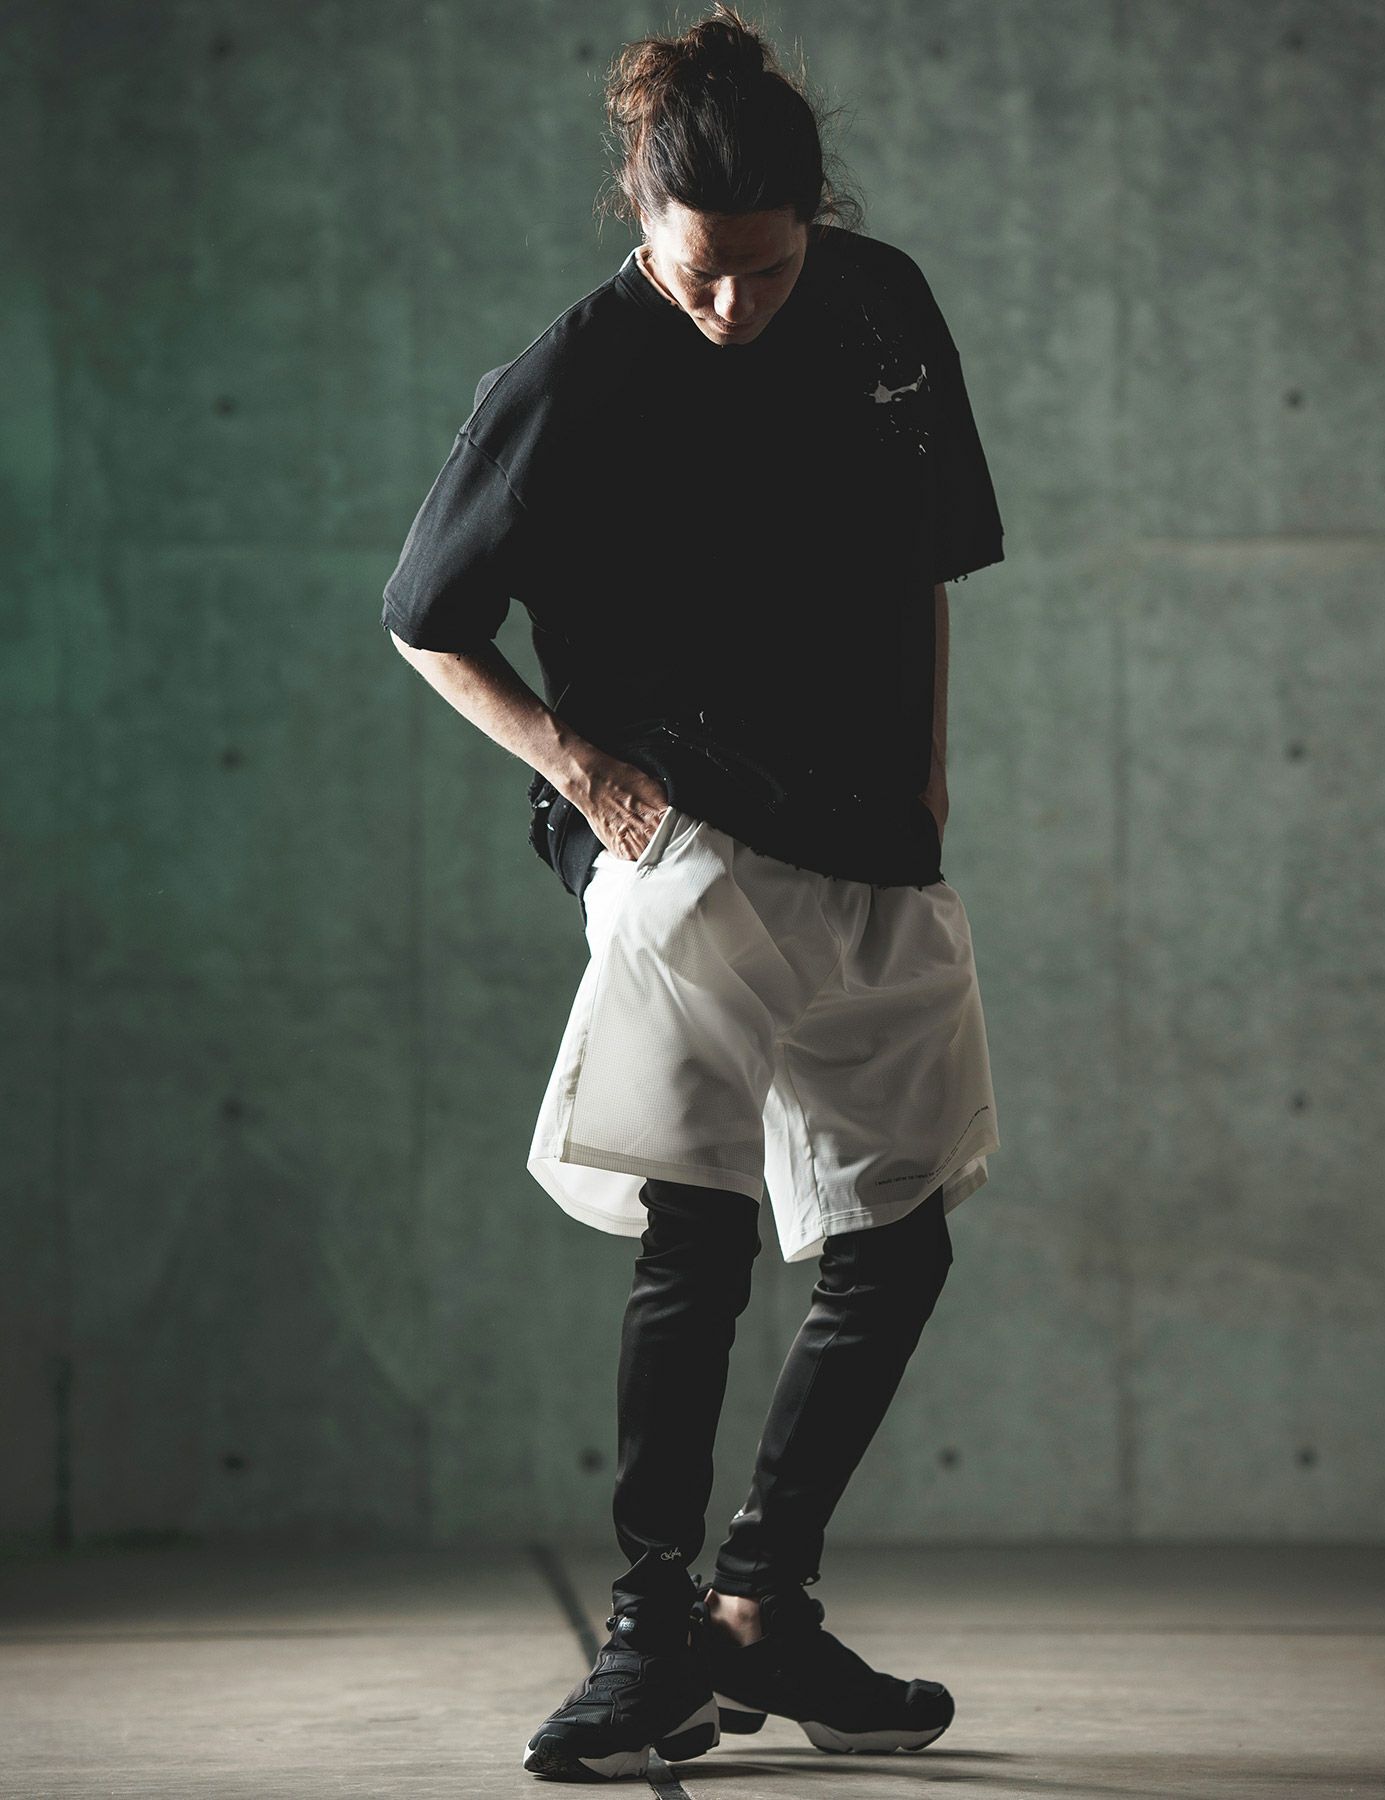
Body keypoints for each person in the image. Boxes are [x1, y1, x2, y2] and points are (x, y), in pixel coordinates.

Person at [380, 5, 1006, 1781]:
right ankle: (648, 1635)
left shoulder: (882, 309)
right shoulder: (577, 370)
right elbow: (426, 620)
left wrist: (932, 773)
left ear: (818, 220)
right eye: (694, 270)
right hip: (683, 838)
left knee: (899, 1236)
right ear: (639, 221)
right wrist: (580, 771)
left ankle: (759, 1608)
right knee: (702, 1222)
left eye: (764, 267)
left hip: (869, 819)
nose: (730, 303)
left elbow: (928, 560)